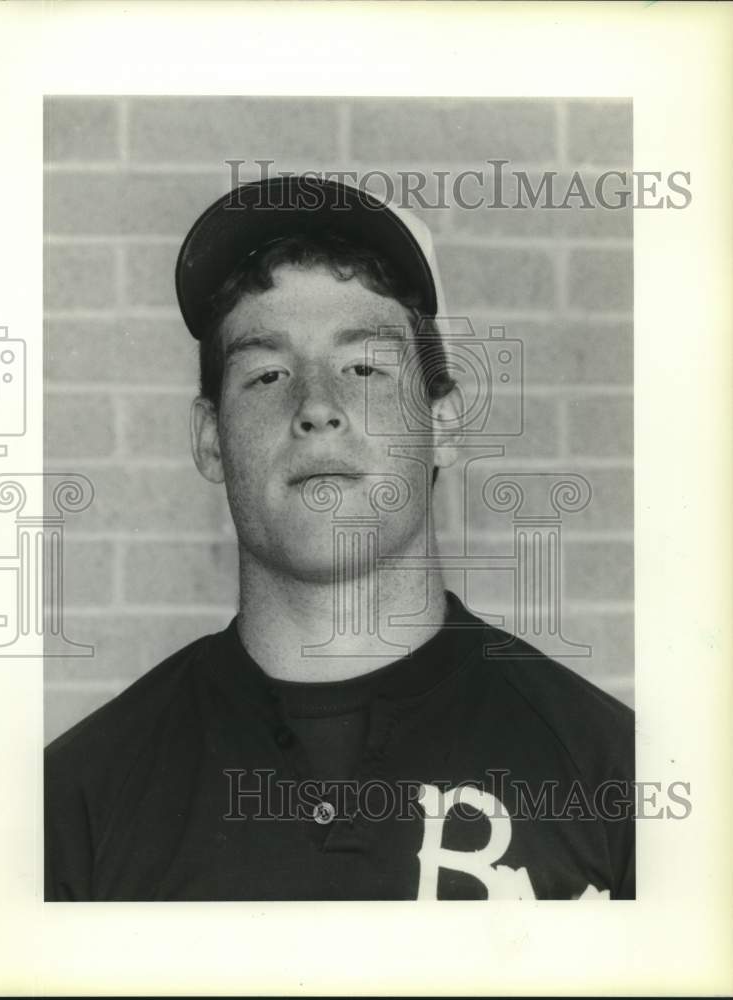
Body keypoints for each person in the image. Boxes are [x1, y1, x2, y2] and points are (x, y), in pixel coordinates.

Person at [45, 176, 634, 901]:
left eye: (362, 368)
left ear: (442, 424)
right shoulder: (74, 802)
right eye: (266, 374)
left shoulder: (614, 776)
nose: (316, 407)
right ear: (209, 439)